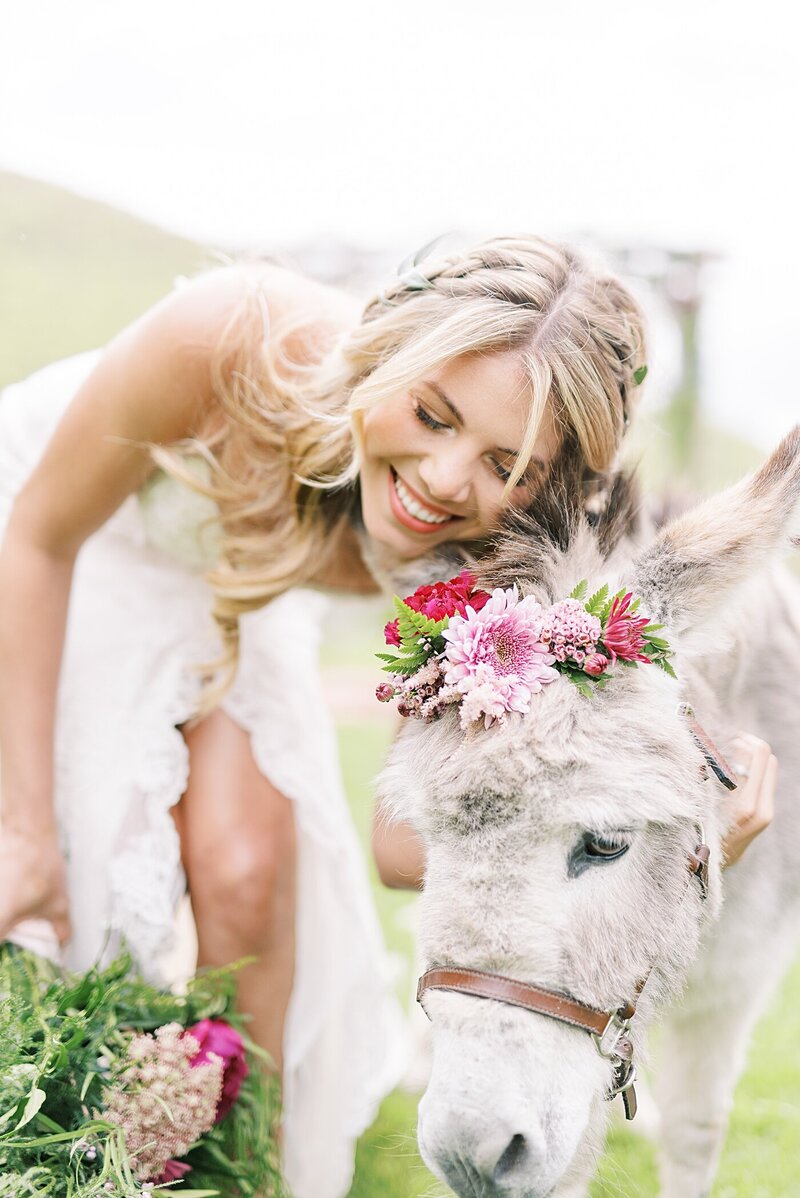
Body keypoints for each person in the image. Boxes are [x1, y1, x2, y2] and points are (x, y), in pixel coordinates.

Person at [0, 235, 776, 1197]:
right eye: (430, 414)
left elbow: (409, 850)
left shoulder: (495, 562)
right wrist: (23, 827)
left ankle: (250, 1169)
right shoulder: (231, 332)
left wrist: (668, 843)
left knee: (249, 872)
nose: (449, 480)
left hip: (239, 595)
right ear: (386, 354)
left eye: (507, 462)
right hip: (56, 546)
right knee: (68, 877)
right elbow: (37, 537)